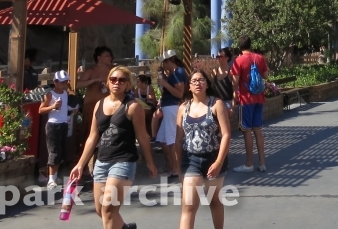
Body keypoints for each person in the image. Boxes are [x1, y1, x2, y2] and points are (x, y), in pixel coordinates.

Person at [71, 66, 157, 229]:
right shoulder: (99, 104)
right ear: (108, 82)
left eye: (122, 80)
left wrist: (150, 162)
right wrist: (80, 164)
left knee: (109, 210)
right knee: (101, 210)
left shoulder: (133, 106)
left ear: (128, 84)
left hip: (123, 161)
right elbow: (92, 137)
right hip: (102, 162)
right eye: (113, 79)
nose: (117, 83)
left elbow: (142, 136)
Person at [175, 68, 232, 229]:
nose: (198, 83)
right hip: (190, 160)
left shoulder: (216, 104)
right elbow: (178, 140)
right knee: (188, 205)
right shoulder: (183, 108)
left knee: (214, 200)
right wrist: (178, 166)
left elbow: (226, 134)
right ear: (189, 86)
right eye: (194, 81)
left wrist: (219, 162)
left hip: (213, 158)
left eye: (201, 80)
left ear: (207, 84)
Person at [231, 35, 270, 172]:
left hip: (246, 100)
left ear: (239, 46)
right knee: (258, 130)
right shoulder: (259, 58)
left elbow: (235, 82)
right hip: (259, 98)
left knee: (246, 131)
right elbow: (266, 75)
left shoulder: (239, 60)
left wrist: (233, 96)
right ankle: (262, 162)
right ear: (250, 44)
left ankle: (249, 164)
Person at [155, 50, 188, 180]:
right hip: (168, 106)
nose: (164, 65)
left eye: (165, 62)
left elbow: (179, 93)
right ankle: (170, 165)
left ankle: (175, 169)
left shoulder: (178, 72)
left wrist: (165, 84)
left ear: (170, 61)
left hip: (172, 107)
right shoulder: (175, 72)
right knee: (163, 139)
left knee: (171, 139)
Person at [77, 46, 114, 159]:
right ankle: (86, 160)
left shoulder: (112, 70)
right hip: (91, 106)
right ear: (99, 58)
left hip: (108, 107)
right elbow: (78, 85)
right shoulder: (91, 71)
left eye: (110, 56)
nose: (110, 58)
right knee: (89, 133)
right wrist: (94, 80)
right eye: (106, 56)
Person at [39, 70, 72, 190]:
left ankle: (55, 176)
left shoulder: (65, 93)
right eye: (62, 82)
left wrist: (71, 110)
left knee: (61, 152)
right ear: (55, 82)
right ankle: (51, 179)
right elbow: (40, 110)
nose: (64, 84)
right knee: (54, 152)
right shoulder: (50, 94)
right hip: (53, 125)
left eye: (66, 82)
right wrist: (53, 106)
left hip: (63, 124)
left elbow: (64, 108)